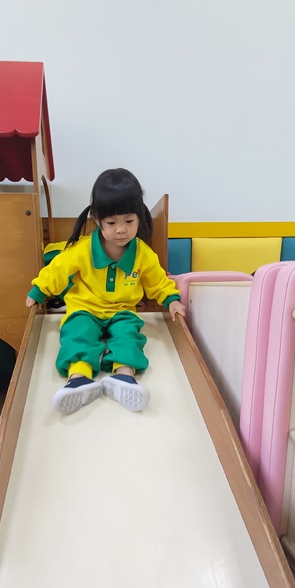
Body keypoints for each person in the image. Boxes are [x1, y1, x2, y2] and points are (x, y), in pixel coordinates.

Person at [25, 168, 185, 415]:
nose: (121, 230)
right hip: (85, 308)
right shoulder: (83, 249)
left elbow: (158, 281)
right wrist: (39, 291)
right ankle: (79, 379)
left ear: (139, 217)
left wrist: (171, 300)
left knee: (129, 336)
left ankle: (124, 377)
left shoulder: (142, 254)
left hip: (122, 310)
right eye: (112, 223)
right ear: (97, 219)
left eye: (129, 221)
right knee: (77, 334)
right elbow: (57, 270)